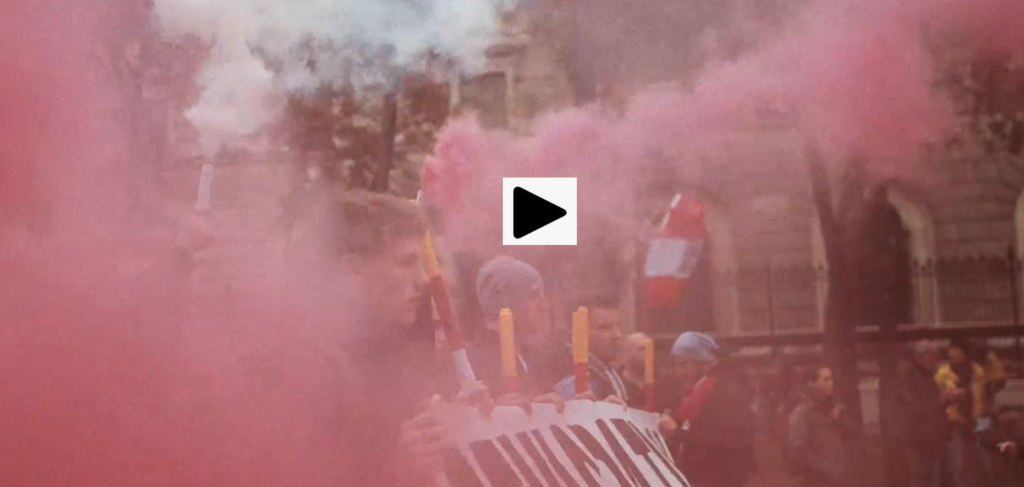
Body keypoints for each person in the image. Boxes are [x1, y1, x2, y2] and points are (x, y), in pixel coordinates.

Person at [288, 189, 485, 486]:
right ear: (352, 270)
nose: (423, 279)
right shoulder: (303, 370)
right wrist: (396, 472)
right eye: (407, 262)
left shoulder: (389, 352)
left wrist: (462, 425)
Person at [468, 255, 564, 404]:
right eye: (533, 296)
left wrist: (577, 407)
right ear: (505, 301)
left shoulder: (531, 357)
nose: (544, 306)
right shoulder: (474, 365)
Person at [667, 331, 757, 487]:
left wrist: (676, 432)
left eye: (684, 364)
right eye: (675, 365)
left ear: (704, 362)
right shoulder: (706, 387)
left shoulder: (723, 390)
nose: (679, 372)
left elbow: (719, 441)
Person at [897, 340, 964, 487]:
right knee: (925, 478)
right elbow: (914, 407)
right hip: (921, 440)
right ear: (922, 356)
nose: (936, 361)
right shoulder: (910, 376)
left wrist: (946, 399)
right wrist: (942, 400)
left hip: (934, 437)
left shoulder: (925, 375)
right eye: (934, 356)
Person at [553, 293, 629, 402]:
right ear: (575, 330)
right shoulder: (567, 372)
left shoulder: (605, 370)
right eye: (604, 327)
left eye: (618, 326)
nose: (617, 335)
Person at [786, 364, 848, 487]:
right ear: (811, 383)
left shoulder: (830, 410)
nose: (831, 383)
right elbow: (799, 452)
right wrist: (827, 470)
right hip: (816, 481)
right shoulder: (801, 413)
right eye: (826, 379)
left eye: (831, 379)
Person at [936, 339, 987, 487]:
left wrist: (983, 418)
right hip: (953, 422)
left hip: (976, 421)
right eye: (953, 349)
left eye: (958, 349)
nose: (954, 353)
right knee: (957, 463)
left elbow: (984, 396)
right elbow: (935, 398)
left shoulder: (978, 371)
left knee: (981, 462)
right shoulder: (943, 373)